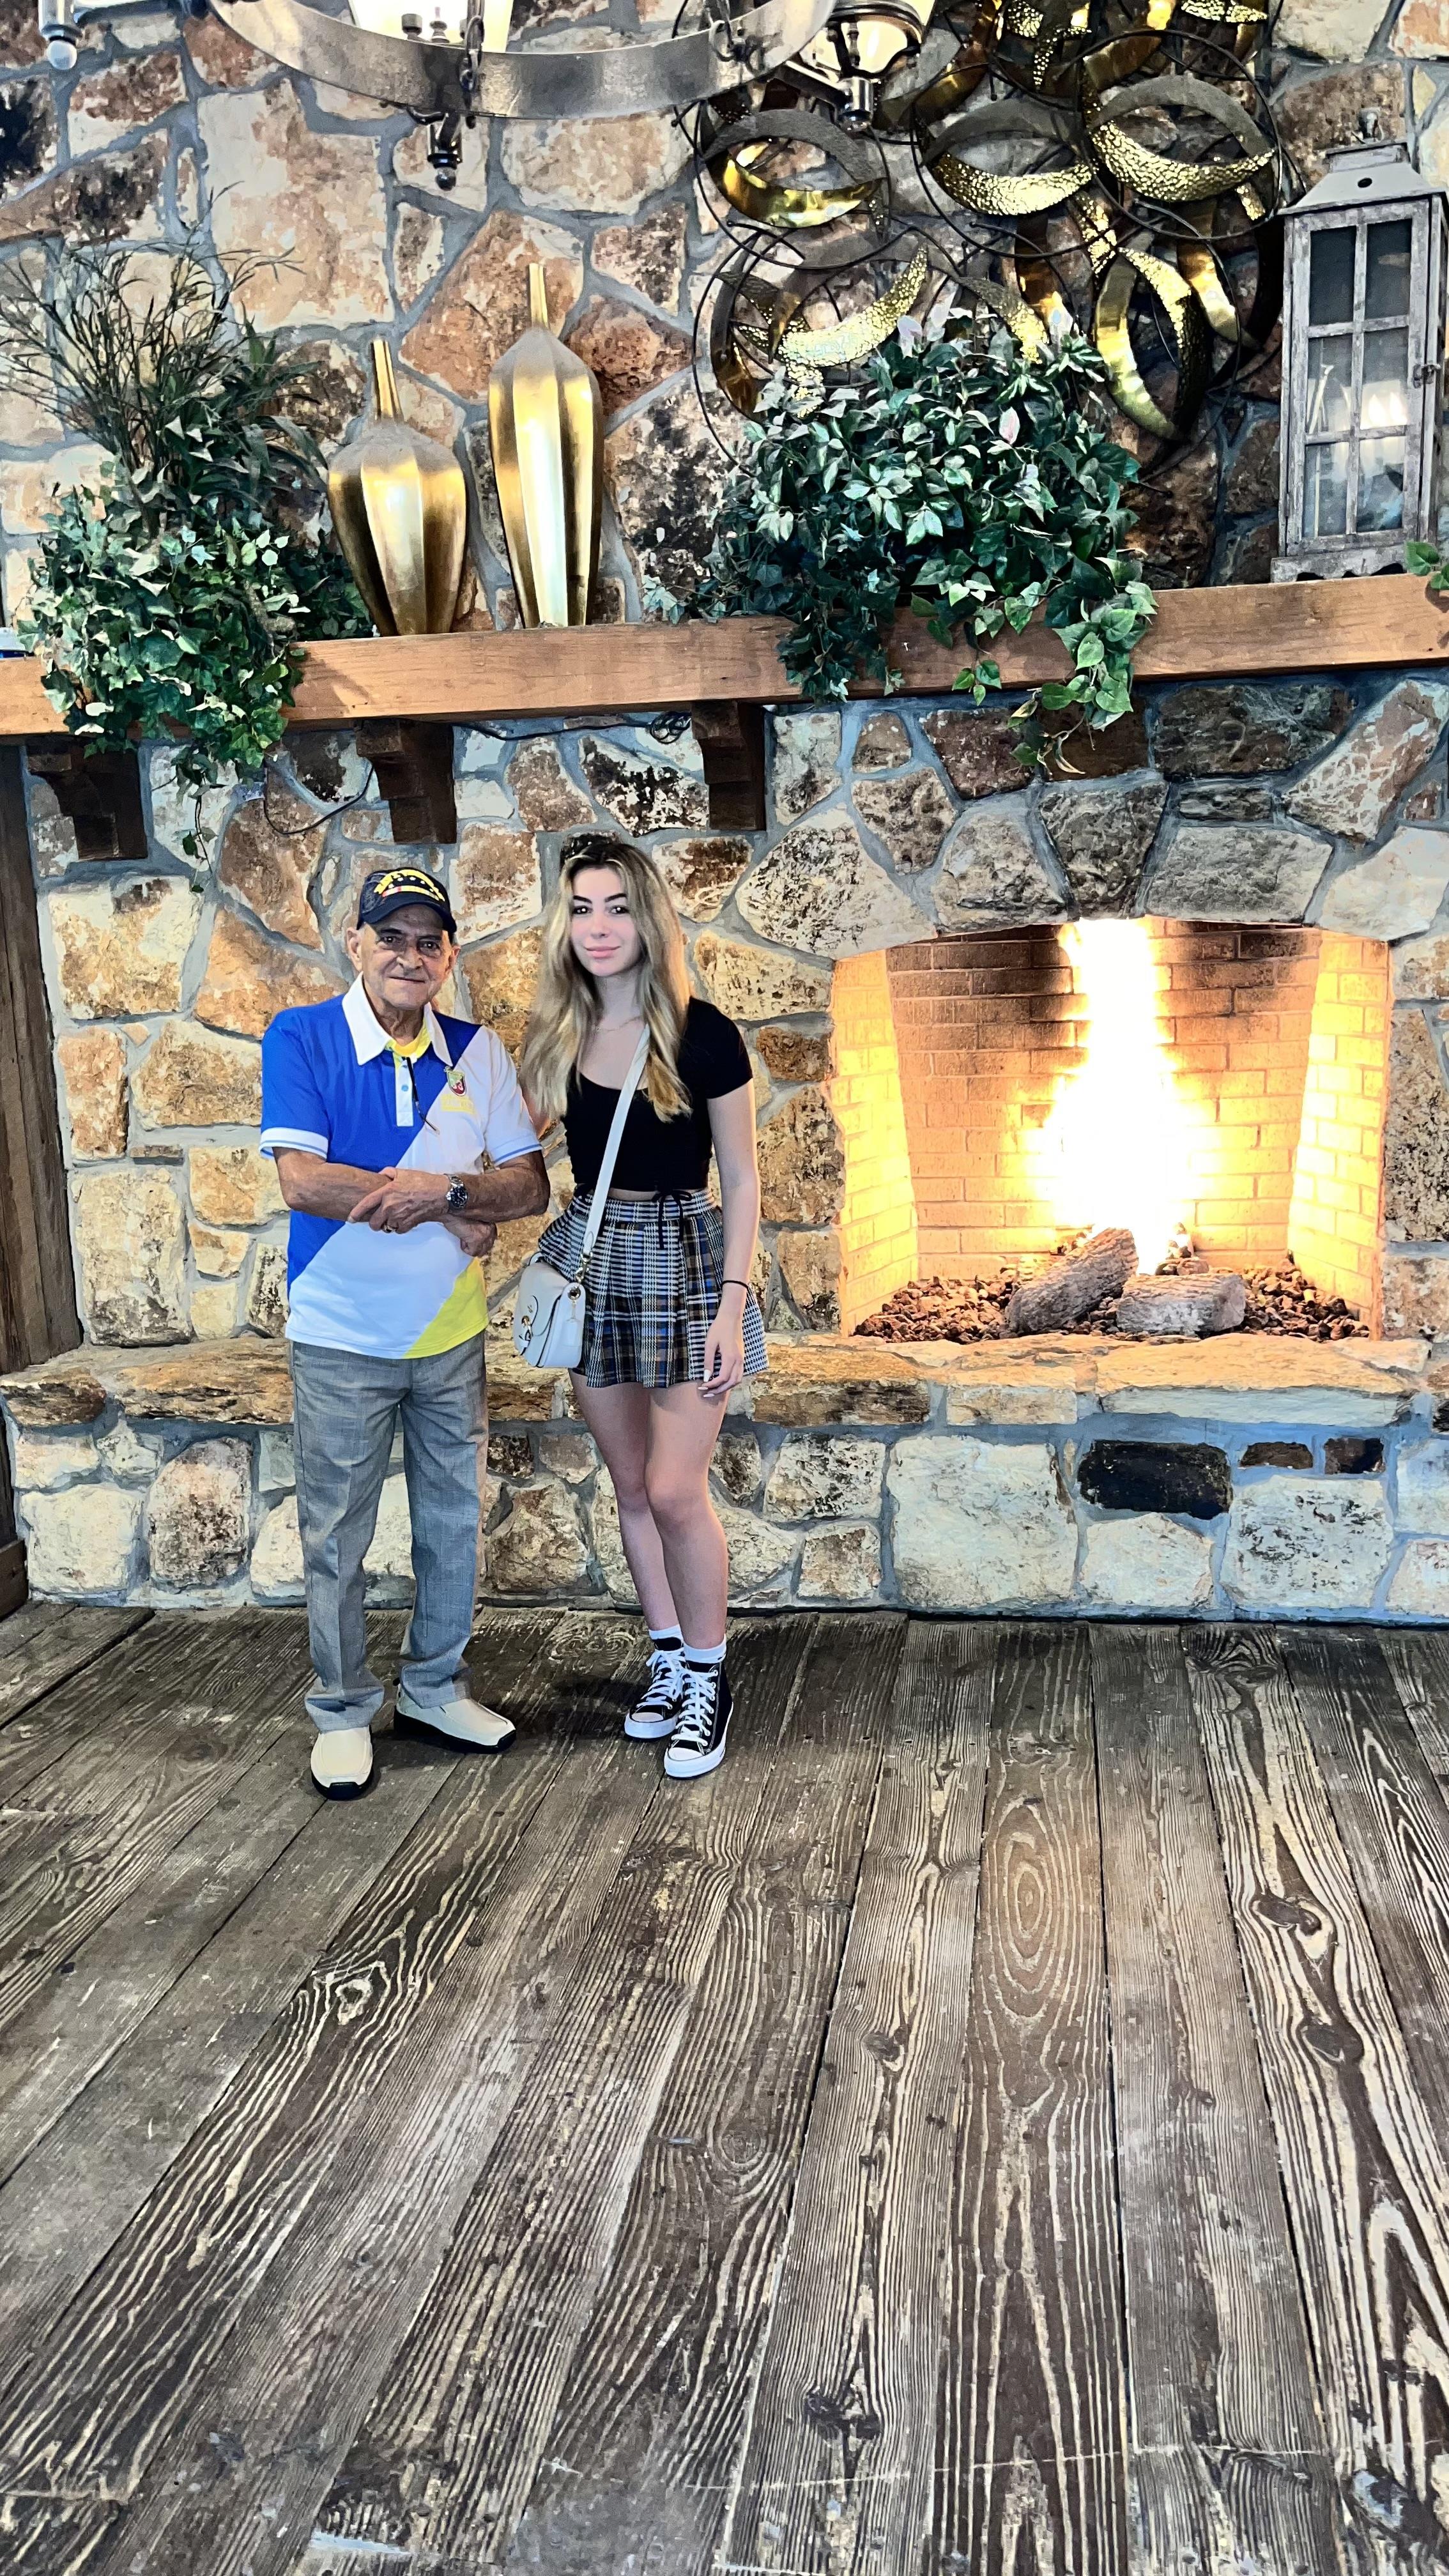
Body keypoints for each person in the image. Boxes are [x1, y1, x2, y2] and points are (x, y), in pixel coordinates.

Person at [261, 862, 550, 1800]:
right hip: (340, 1330)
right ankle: (342, 1710)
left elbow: (530, 1185)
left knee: (454, 1523)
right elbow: (302, 1182)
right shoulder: (302, 1035)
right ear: (357, 944)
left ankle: (433, 1689)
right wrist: (442, 1206)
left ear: (449, 955)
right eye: (392, 937)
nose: (410, 956)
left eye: (430, 941)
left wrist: (455, 1192)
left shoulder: (479, 1050)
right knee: (336, 1536)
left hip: (448, 1334)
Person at [519, 832, 765, 1781]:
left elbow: (742, 1179)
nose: (600, 927)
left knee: (673, 1490)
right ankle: (665, 1659)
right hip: (594, 1257)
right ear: (563, 927)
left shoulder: (703, 1033)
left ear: (650, 916)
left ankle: (710, 1678)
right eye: (581, 908)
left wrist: (732, 1303)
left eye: (618, 906)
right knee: (628, 1488)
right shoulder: (556, 1036)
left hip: (686, 1263)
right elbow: (502, 1143)